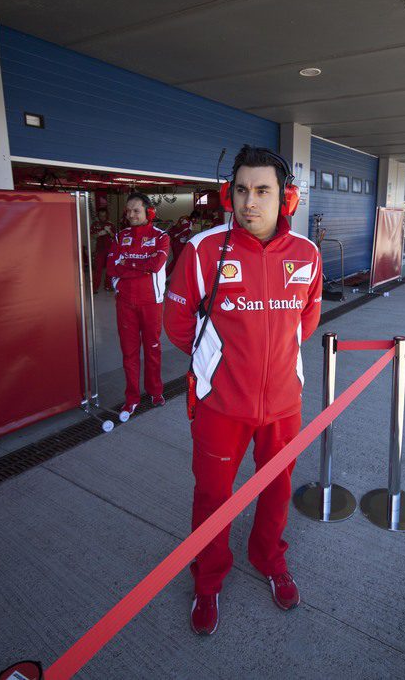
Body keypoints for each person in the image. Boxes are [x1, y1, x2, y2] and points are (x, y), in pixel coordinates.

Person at [164, 145, 322, 635]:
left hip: (283, 406)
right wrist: (220, 366)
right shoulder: (203, 249)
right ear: (227, 194)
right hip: (220, 407)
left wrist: (273, 367)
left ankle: (269, 559)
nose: (249, 201)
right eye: (241, 190)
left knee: (276, 490)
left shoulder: (308, 254)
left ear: (287, 198)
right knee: (212, 496)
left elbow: (307, 319)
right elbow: (176, 323)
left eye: (263, 191)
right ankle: (208, 581)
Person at [107, 192, 170, 417]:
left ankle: (155, 391)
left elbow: (155, 265)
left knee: (153, 349)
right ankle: (132, 397)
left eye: (136, 210)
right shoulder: (119, 237)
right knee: (129, 353)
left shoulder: (161, 236)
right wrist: (138, 265)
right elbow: (113, 268)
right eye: (129, 210)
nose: (131, 215)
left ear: (148, 212)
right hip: (125, 303)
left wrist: (128, 263)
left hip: (151, 303)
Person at [90, 207, 116, 293]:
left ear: (107, 216)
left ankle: (108, 286)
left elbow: (114, 237)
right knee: (98, 269)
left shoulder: (111, 225)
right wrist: (99, 234)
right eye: (101, 216)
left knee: (109, 268)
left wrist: (109, 231)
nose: (102, 217)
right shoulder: (95, 224)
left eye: (104, 216)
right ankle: (94, 288)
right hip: (99, 249)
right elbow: (92, 235)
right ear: (98, 216)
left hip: (109, 249)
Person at [166, 210, 199, 277]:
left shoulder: (185, 220)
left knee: (177, 261)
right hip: (178, 243)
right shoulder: (188, 223)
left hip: (177, 243)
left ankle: (168, 276)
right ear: (195, 218)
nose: (198, 221)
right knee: (177, 261)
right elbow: (180, 234)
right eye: (197, 219)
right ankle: (166, 276)